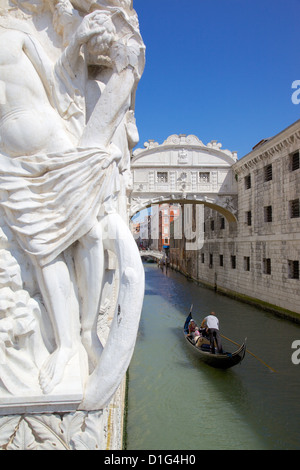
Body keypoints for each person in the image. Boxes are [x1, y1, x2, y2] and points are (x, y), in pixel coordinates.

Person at [0, 0, 145, 400]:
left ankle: (85, 332)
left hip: (54, 143)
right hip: (11, 167)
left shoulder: (17, 34)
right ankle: (65, 344)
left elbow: (57, 77)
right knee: (44, 250)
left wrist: (79, 37)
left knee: (90, 234)